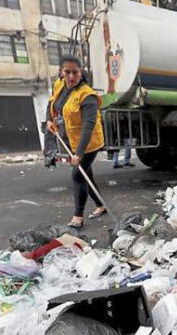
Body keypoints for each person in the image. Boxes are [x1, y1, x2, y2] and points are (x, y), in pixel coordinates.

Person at [46, 55, 107, 228]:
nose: (71, 76)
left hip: (89, 142)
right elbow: (51, 104)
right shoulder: (59, 85)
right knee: (86, 174)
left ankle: (78, 216)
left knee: (78, 175)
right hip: (71, 140)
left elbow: (88, 125)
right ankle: (101, 205)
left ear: (81, 73)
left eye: (75, 72)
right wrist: (49, 120)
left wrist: (79, 154)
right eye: (67, 72)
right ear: (61, 72)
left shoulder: (87, 95)